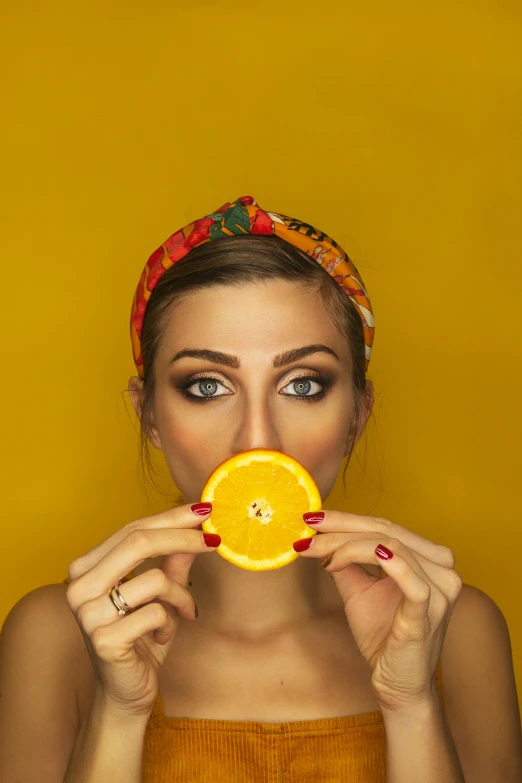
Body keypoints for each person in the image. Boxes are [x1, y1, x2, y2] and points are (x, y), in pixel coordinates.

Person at [2, 195, 447, 782]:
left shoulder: (449, 627)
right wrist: (120, 710)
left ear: (357, 414)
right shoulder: (54, 636)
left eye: (304, 384)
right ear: (150, 416)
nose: (256, 438)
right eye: (207, 386)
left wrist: (411, 705)